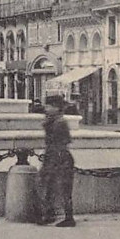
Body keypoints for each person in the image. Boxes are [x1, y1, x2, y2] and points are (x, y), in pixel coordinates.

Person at [37, 95, 76, 228]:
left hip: (60, 157)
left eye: (49, 106)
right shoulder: (52, 121)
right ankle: (49, 214)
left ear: (56, 108)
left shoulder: (60, 122)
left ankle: (68, 217)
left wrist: (55, 159)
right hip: (53, 156)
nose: (46, 108)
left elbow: (63, 142)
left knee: (63, 188)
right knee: (49, 186)